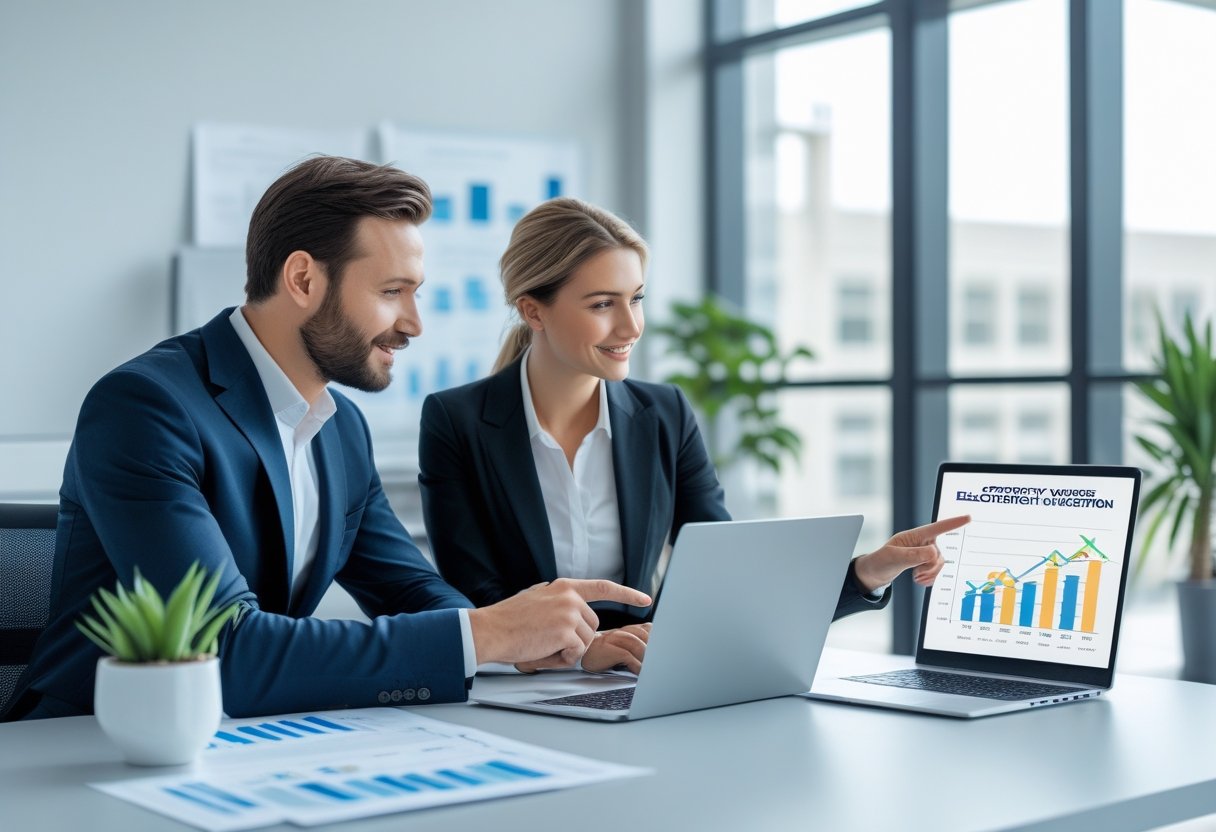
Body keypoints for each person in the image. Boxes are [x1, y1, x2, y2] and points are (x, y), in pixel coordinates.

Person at [2, 159, 648, 722]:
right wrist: (485, 634)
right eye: (392, 292)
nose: (414, 323)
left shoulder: (339, 427)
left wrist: (543, 644)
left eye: (415, 294)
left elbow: (412, 592)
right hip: (89, 747)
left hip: (243, 742)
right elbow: (227, 650)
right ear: (304, 280)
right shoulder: (147, 407)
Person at [419, 197, 968, 673]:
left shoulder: (664, 414)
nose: (632, 327)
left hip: (642, 675)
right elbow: (474, 601)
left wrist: (867, 573)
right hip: (519, 688)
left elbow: (724, 580)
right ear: (532, 310)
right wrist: (583, 650)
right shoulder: (458, 421)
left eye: (636, 298)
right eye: (602, 304)